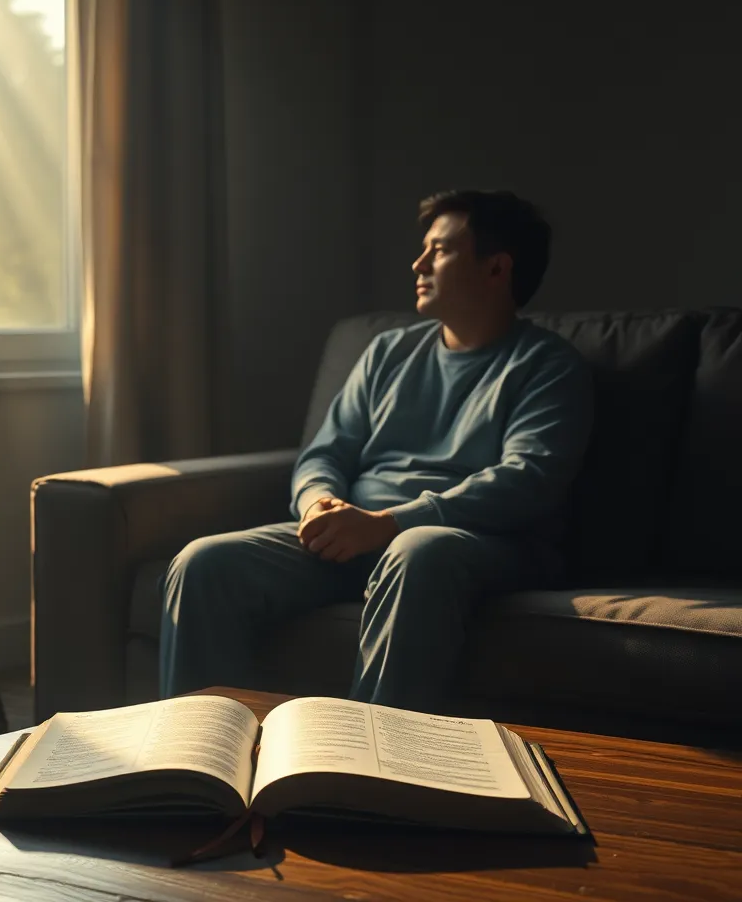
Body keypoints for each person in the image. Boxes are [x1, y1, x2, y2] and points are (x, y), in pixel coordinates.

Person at [159, 189, 595, 712]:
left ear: (496, 269)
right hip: (357, 532)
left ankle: (366, 772)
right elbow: (325, 453)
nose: (419, 263)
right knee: (203, 563)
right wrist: (319, 503)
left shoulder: (548, 366)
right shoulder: (388, 351)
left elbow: (527, 479)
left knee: (418, 550)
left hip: (469, 541)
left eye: (440, 250)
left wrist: (390, 522)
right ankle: (204, 760)